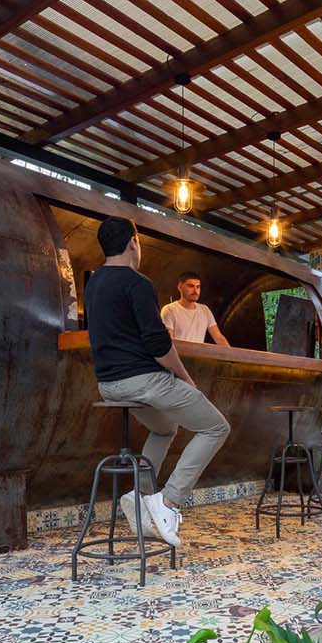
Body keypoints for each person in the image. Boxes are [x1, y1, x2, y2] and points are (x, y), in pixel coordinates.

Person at [84, 217, 230, 547]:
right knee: (216, 427)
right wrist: (186, 378)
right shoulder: (138, 283)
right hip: (144, 381)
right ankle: (168, 503)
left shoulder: (93, 283)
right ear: (133, 242)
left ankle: (141, 497)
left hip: (108, 383)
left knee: (165, 428)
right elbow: (158, 345)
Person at [160, 271, 231, 347]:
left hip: (198, 357)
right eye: (190, 286)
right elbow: (169, 342)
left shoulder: (204, 310)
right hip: (178, 357)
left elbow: (219, 337)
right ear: (180, 287)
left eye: (198, 287)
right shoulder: (169, 310)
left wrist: (233, 356)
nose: (195, 291)